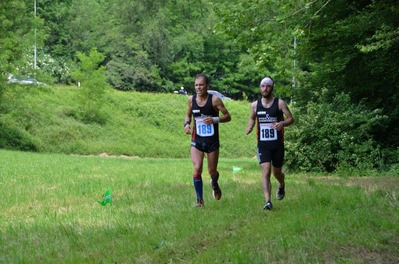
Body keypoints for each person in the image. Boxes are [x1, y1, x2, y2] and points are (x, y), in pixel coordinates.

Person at [245, 76, 294, 210]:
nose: (265, 88)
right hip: (263, 144)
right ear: (260, 88)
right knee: (266, 171)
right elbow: (251, 118)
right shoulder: (255, 105)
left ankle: (281, 184)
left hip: (277, 144)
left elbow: (291, 119)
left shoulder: (280, 104)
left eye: (267, 86)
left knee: (276, 173)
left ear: (272, 88)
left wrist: (282, 123)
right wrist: (250, 126)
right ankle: (268, 201)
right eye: (262, 86)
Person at [184, 74, 232, 207]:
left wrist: (215, 119)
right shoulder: (191, 100)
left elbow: (228, 116)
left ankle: (214, 183)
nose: (198, 87)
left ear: (207, 86)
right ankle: (200, 201)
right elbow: (188, 115)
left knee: (212, 171)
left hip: (212, 141)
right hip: (197, 140)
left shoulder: (215, 100)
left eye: (201, 85)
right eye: (196, 85)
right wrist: (187, 124)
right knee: (197, 167)